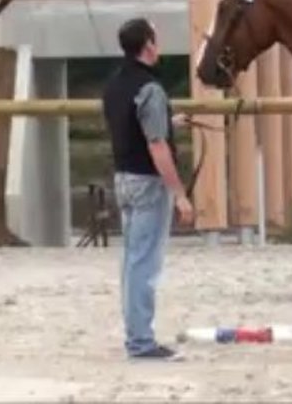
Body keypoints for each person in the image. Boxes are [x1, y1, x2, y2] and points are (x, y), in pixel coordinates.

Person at [101, 18, 194, 360]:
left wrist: (170, 122)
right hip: (148, 183)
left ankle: (135, 333)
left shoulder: (114, 84)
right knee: (145, 264)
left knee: (131, 261)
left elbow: (131, 126)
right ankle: (141, 342)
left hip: (123, 178)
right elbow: (157, 146)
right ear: (149, 44)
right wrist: (181, 194)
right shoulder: (151, 89)